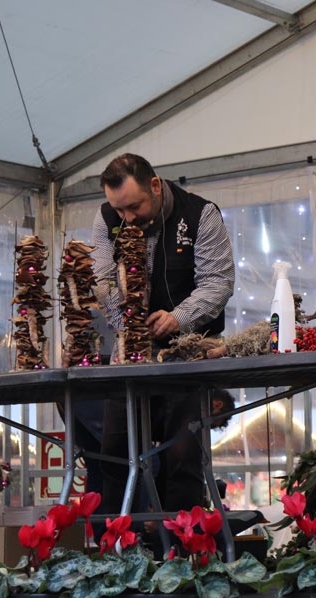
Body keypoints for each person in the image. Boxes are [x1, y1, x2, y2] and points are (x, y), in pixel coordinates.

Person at [92, 153, 235, 515]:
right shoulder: (106, 217)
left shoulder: (200, 215)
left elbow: (218, 282)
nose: (127, 217)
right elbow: (102, 280)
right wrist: (127, 323)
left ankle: (182, 542)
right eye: (119, 209)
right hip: (129, 358)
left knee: (183, 458)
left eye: (134, 206)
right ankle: (116, 539)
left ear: (155, 186)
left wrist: (177, 318)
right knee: (114, 455)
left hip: (188, 358)